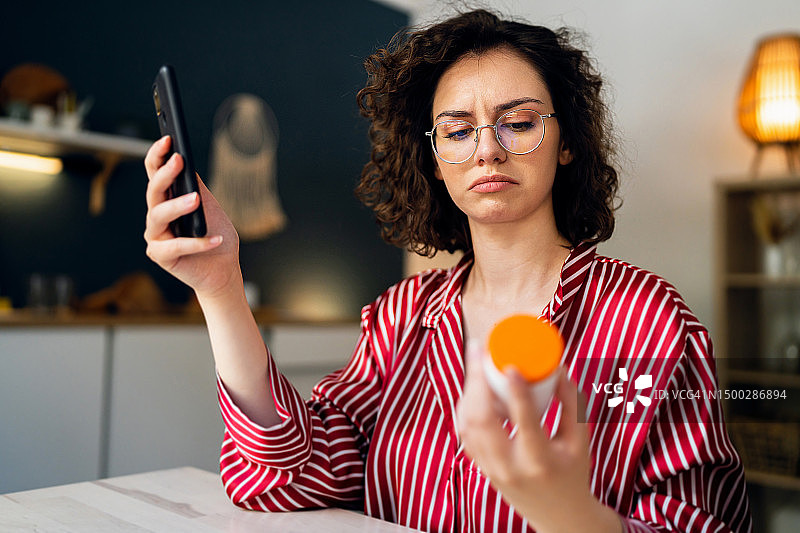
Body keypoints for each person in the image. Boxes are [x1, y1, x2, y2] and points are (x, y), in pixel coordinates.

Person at [143, 9, 752, 533]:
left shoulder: (648, 322)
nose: (487, 149)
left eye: (519, 123)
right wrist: (221, 287)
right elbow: (286, 475)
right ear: (435, 160)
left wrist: (571, 513)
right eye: (458, 131)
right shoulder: (401, 316)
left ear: (567, 142)